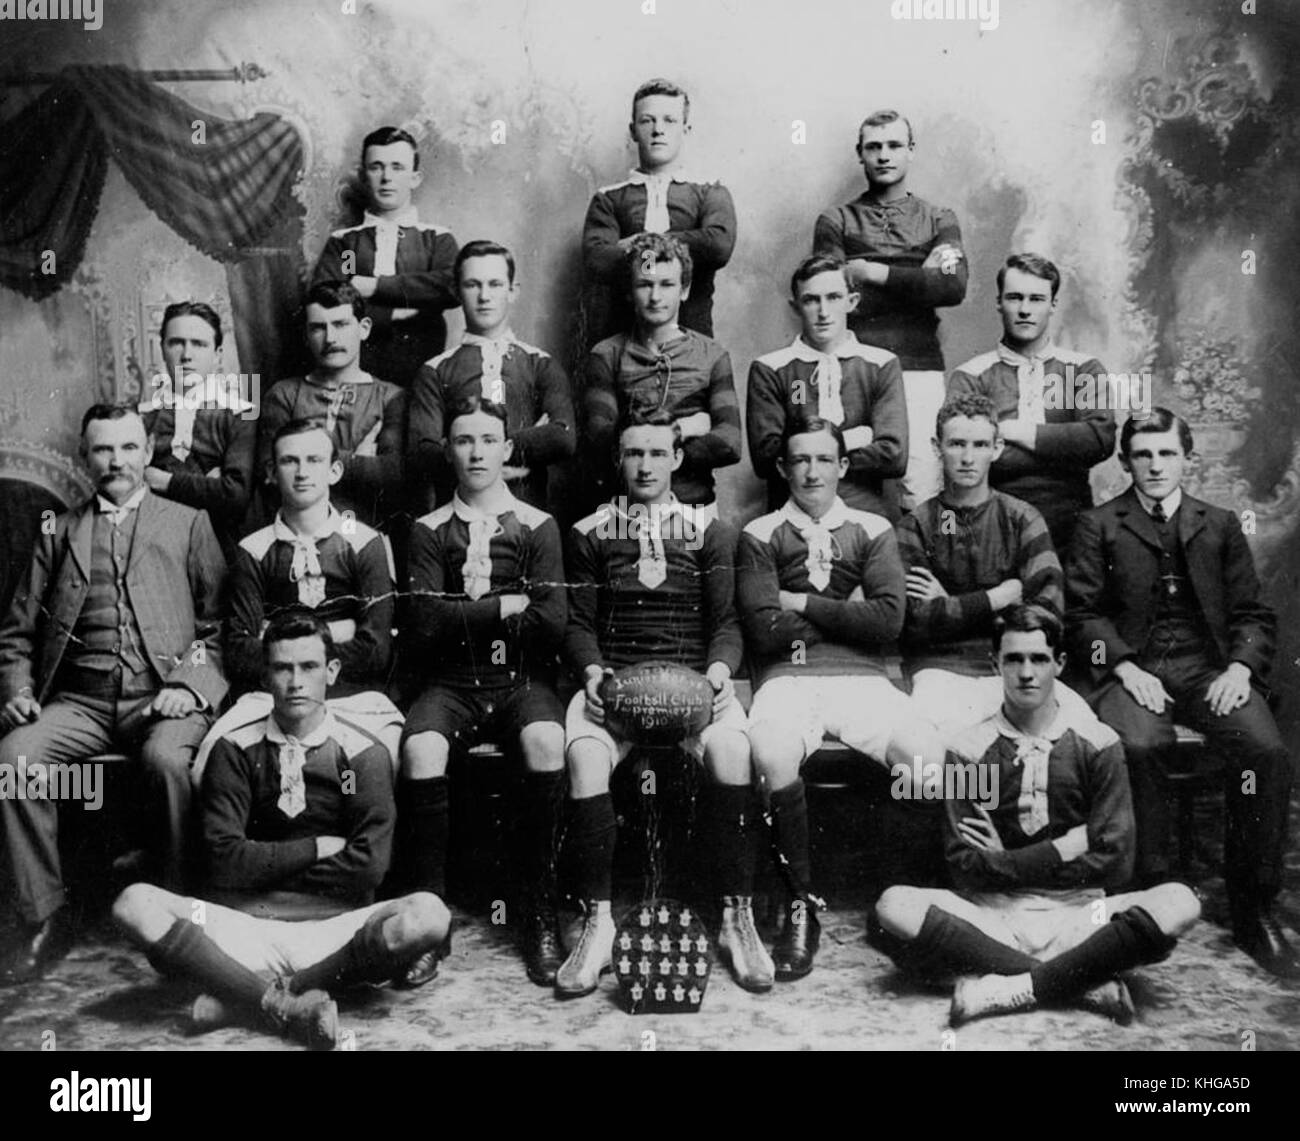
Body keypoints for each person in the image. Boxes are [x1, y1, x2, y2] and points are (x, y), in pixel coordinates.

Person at [112, 611, 450, 1050]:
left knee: (430, 914)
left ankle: (242, 998)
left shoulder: (364, 753)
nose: (296, 682)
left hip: (333, 929)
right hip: (244, 926)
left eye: (309, 667)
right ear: (264, 673)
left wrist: (258, 861)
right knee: (133, 902)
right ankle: (289, 1006)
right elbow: (222, 862)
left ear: (331, 672)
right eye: (282, 668)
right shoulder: (234, 750)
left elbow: (366, 869)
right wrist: (315, 849)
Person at [874, 605, 1201, 1027]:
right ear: (996, 665)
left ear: (1059, 665)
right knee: (893, 905)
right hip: (993, 916)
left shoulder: (1097, 745)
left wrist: (1005, 861)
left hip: (1081, 914)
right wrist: (1065, 848)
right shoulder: (969, 750)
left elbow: (1116, 863)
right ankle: (1081, 979)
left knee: (1180, 901)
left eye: (1039, 659)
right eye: (1013, 659)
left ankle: (1013, 986)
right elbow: (965, 868)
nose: (1026, 673)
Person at [1067, 408, 1298, 979]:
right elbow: (1082, 616)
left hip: (1206, 669)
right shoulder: (1099, 524)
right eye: (1142, 454)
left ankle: (1253, 905)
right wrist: (1121, 665)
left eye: (1166, 453)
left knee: (1264, 751)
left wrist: (1241, 669)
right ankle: (1154, 891)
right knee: (1141, 746)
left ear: (1186, 458)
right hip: (1132, 665)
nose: (1154, 465)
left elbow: (1251, 613)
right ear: (1125, 462)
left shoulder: (1218, 524)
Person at [0, 404, 227, 985]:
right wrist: (18, 690)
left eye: (128, 448)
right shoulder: (60, 530)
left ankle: (177, 915)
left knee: (166, 762)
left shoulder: (188, 521)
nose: (116, 461)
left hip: (163, 695)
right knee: (15, 761)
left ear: (147, 454)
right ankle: (43, 916)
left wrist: (188, 684)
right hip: (80, 700)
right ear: (86, 457)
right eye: (103, 450)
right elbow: (18, 631)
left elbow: (218, 629)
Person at [557, 410, 767, 997]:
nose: (645, 465)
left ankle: (735, 915)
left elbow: (727, 625)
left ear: (678, 459)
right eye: (632, 454)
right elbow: (578, 625)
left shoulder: (712, 531)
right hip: (616, 686)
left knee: (731, 749)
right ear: (618, 461)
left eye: (656, 453)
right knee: (586, 758)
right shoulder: (590, 532)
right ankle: (597, 922)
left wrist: (720, 674)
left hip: (694, 687)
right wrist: (594, 674)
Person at [738, 413, 929, 980]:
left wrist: (801, 605)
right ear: (782, 466)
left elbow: (889, 621)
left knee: (925, 760)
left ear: (843, 466)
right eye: (800, 459)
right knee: (769, 754)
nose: (812, 470)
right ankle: (801, 906)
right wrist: (851, 614)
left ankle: (901, 905)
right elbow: (764, 630)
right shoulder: (759, 534)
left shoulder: (872, 529)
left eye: (824, 459)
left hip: (864, 680)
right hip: (787, 680)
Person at [400, 398, 567, 987]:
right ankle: (429, 923)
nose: (475, 452)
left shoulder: (537, 526)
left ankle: (539, 911)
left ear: (507, 450)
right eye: (463, 440)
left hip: (520, 680)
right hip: (452, 682)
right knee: (420, 749)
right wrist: (504, 604)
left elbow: (551, 622)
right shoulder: (426, 531)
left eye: (487, 440)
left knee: (547, 740)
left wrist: (463, 613)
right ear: (448, 450)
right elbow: (421, 625)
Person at [898, 392, 1089, 738]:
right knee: (939, 750)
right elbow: (915, 620)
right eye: (956, 444)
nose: (968, 458)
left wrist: (951, 605)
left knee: (1083, 736)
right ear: (937, 447)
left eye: (980, 445)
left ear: (997, 448)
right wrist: (1000, 598)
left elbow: (1047, 612)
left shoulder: (1022, 518)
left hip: (1016, 666)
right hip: (942, 670)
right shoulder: (917, 525)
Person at [813, 109, 967, 509]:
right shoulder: (836, 220)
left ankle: (918, 573)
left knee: (922, 485)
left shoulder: (938, 219)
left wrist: (870, 272)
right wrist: (919, 279)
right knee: (847, 478)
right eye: (874, 147)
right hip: (852, 366)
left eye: (894, 145)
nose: (884, 155)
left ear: (911, 151)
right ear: (860, 154)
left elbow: (951, 286)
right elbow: (830, 294)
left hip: (919, 367)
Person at [947, 253, 1116, 554]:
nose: (1025, 310)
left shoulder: (1083, 369)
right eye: (1014, 298)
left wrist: (1011, 430)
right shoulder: (970, 375)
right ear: (999, 302)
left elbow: (1099, 440)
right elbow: (967, 454)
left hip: (1071, 523)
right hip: (994, 523)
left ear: (1053, 305)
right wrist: (1064, 448)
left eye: (1036, 299)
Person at [408, 239, 575, 512]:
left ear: (512, 291)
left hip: (525, 517)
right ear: (456, 291)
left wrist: (468, 451)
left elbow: (563, 438)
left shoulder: (540, 364)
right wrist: (524, 446)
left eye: (495, 284)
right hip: (455, 519)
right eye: (473, 285)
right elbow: (423, 453)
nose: (484, 296)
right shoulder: (435, 370)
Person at [583, 233, 740, 513]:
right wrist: (684, 429)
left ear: (684, 289)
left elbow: (729, 443)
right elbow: (601, 440)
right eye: (645, 284)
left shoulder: (712, 355)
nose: (655, 297)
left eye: (667, 284)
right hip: (626, 511)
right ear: (630, 291)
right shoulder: (606, 355)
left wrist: (643, 450)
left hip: (695, 508)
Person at [747, 253, 907, 520]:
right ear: (796, 306)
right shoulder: (771, 368)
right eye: (811, 300)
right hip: (790, 516)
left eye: (833, 297)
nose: (823, 312)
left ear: (851, 302)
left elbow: (894, 456)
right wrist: (853, 440)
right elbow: (766, 459)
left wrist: (803, 457)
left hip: (862, 512)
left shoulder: (880, 364)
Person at [582, 78, 736, 341]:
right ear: (633, 131)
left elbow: (718, 245)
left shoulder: (709, 192)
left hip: (691, 341)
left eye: (669, 121)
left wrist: (637, 243)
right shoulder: (609, 198)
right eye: (647, 120)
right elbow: (598, 258)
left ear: (686, 129)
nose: (658, 130)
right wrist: (684, 243)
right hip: (624, 344)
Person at [311, 125, 459, 388]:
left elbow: (450, 286)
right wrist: (395, 314)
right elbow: (336, 295)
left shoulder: (436, 239)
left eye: (397, 167)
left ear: (415, 178)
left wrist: (376, 287)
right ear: (364, 176)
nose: (387, 177)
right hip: (359, 374)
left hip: (422, 373)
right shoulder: (348, 244)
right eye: (377, 167)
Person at [258, 281, 407, 532]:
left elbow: (391, 476)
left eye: (341, 324)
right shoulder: (284, 395)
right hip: (296, 532)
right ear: (306, 335)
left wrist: (306, 460)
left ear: (364, 328)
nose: (330, 338)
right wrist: (358, 461)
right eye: (318, 328)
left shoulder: (391, 397)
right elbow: (270, 475)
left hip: (367, 533)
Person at [138, 300, 257, 557]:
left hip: (218, 548)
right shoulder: (142, 416)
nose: (186, 355)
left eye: (199, 344)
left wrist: (164, 480)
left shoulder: (241, 414)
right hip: (153, 546)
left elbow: (235, 496)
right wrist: (206, 486)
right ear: (162, 349)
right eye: (176, 342)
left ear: (217, 354)